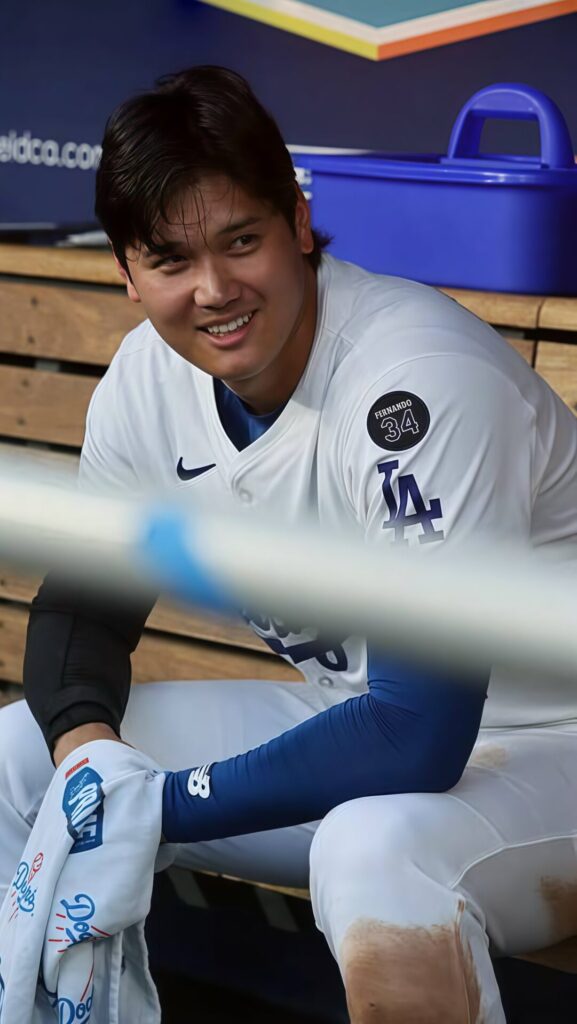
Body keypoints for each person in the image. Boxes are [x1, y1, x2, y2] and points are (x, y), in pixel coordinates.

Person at [1, 65, 577, 1023]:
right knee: (22, 759)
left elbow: (418, 730)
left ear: (298, 225)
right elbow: (81, 610)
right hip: (372, 731)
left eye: (242, 241)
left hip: (552, 745)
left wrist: (155, 806)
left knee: (374, 853)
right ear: (127, 275)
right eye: (171, 260)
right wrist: (94, 765)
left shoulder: (411, 382)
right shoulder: (148, 381)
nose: (215, 290)